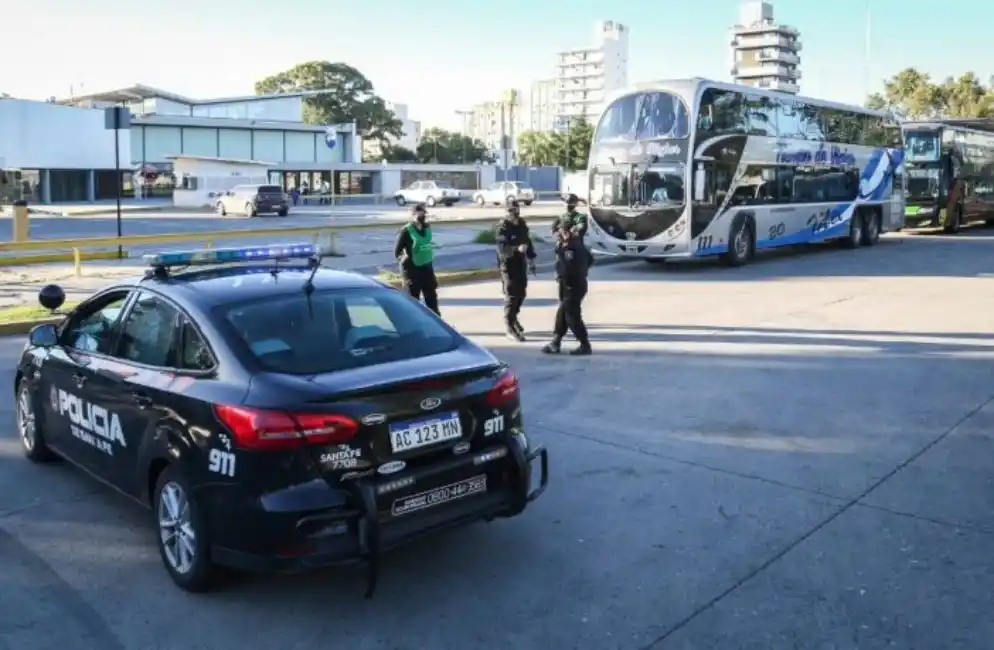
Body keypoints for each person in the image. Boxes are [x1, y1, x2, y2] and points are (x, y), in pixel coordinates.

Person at [542, 225, 592, 356]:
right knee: (562, 313)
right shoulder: (575, 245)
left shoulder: (570, 248)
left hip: (572, 286)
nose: (560, 234)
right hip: (573, 284)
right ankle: (556, 342)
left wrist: (564, 276)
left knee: (572, 316)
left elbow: (568, 268)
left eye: (563, 232)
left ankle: (585, 344)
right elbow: (590, 260)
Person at [495, 201, 537, 341]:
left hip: (520, 263)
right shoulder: (502, 228)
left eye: (516, 209)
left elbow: (527, 241)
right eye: (511, 210)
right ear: (507, 212)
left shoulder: (521, 224)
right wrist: (515, 249)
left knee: (522, 293)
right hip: (507, 264)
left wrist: (531, 257)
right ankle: (509, 325)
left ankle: (514, 317)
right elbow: (502, 249)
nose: (514, 213)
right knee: (512, 295)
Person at [393, 203, 440, 316]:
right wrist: (405, 262)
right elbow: (397, 252)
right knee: (413, 301)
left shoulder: (426, 229)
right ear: (413, 215)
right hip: (412, 271)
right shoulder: (405, 231)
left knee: (431, 298)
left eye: (424, 214)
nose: (422, 217)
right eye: (420, 214)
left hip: (427, 269)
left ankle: (436, 321)